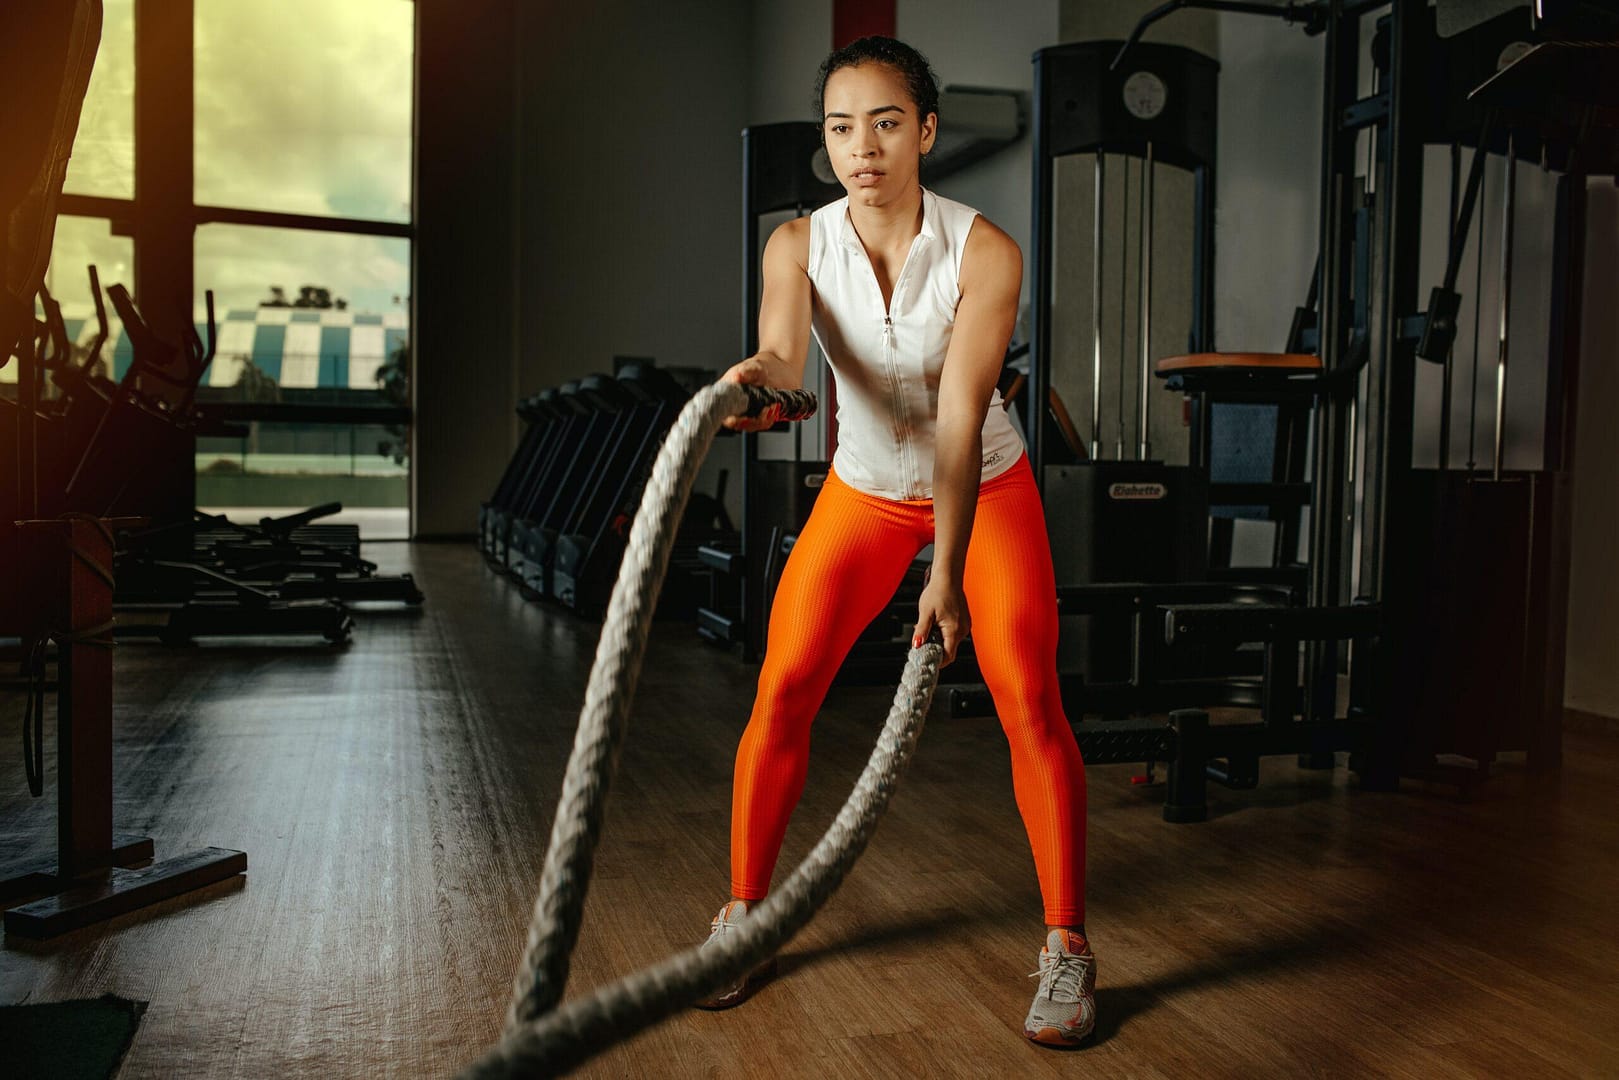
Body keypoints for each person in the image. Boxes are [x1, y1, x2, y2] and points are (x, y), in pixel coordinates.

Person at [696, 36, 1093, 1048]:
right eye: (839, 127)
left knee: (1027, 702)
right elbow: (787, 350)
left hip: (986, 486)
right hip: (864, 491)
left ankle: (1066, 946)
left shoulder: (983, 250)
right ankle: (743, 913)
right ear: (825, 142)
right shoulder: (798, 244)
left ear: (922, 130)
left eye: (883, 123)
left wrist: (946, 575)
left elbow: (960, 418)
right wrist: (763, 384)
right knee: (782, 686)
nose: (860, 147)